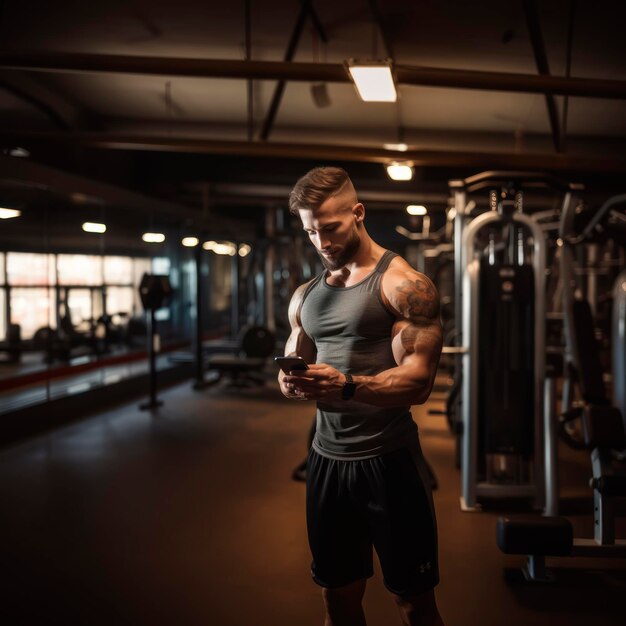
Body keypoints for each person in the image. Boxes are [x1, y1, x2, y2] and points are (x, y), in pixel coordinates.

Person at [278, 166, 445, 626]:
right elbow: (294, 363)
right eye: (311, 231)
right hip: (326, 461)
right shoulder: (305, 296)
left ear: (358, 213)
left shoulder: (404, 286)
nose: (321, 241)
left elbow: (419, 382)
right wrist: (291, 382)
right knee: (338, 597)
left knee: (414, 603)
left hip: (389, 462)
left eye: (330, 228)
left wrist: (348, 385)